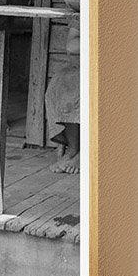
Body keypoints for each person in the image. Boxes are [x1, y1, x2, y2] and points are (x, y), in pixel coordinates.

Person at [47, 14, 81, 173]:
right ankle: (74, 151)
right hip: (80, 68)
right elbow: (71, 46)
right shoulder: (86, 11)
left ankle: (87, 154)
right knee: (60, 85)